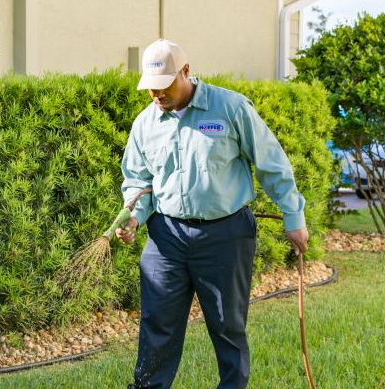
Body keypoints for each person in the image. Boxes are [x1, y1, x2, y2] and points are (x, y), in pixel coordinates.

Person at [117, 39, 309, 389]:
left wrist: (293, 217)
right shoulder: (145, 124)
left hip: (225, 236)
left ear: (186, 72)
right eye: (150, 88)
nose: (156, 95)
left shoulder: (231, 108)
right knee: (157, 324)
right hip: (166, 237)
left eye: (163, 86)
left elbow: (272, 165)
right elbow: (138, 181)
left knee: (227, 326)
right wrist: (133, 216)